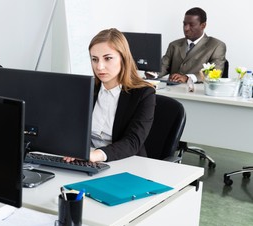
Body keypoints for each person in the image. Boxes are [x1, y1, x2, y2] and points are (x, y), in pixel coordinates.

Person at [66, 28, 156, 163]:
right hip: (85, 161)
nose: (99, 67)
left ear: (123, 58)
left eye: (108, 58)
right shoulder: (86, 89)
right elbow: (71, 129)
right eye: (94, 59)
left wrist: (97, 155)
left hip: (126, 163)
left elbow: (133, 141)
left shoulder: (144, 93)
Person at [146, 7, 226, 83]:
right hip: (172, 90)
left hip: (197, 92)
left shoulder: (216, 46)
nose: (186, 28)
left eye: (191, 25)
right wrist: (153, 74)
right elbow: (164, 65)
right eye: (185, 24)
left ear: (203, 25)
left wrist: (188, 78)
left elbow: (216, 73)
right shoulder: (174, 45)